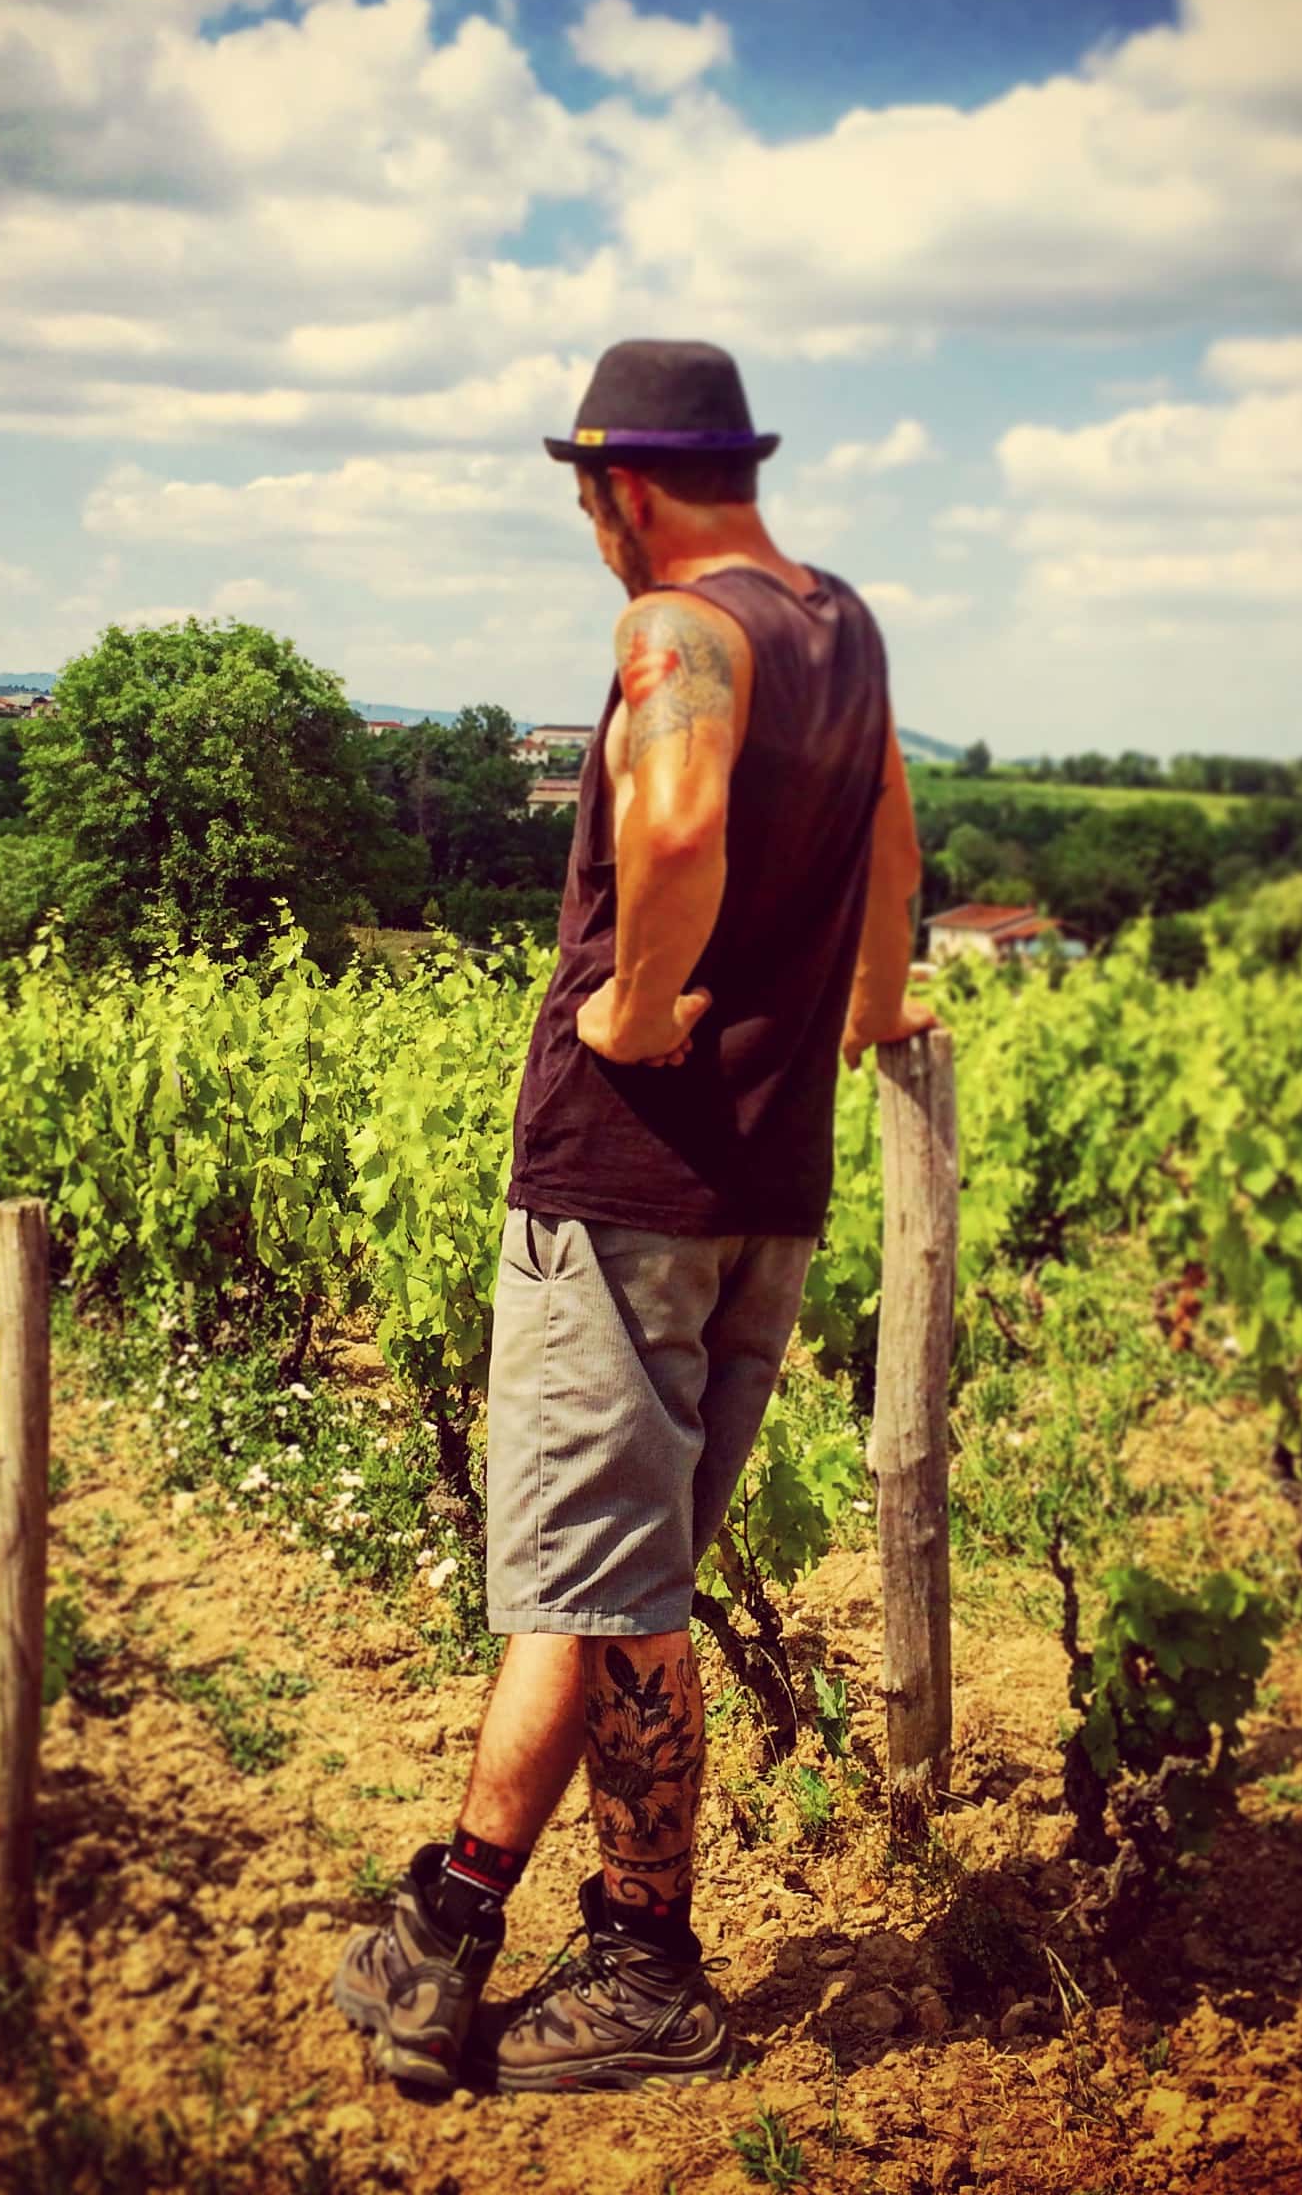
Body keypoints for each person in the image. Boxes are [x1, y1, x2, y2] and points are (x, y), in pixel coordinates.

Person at [331, 339, 936, 2095]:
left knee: (619, 1593)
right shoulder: (845, 626)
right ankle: (450, 1920)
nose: (588, 526)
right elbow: (895, 835)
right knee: (609, 1578)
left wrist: (630, 1007)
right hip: (769, 1183)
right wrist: (881, 1003)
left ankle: (640, 1964)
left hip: (628, 1181)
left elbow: (670, 826)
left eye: (585, 495)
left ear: (626, 488)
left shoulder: (682, 629)